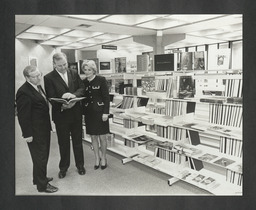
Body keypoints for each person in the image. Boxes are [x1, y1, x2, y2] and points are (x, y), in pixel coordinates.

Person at [16, 65, 58, 193]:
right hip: (35, 131)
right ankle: (42, 186)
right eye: (35, 76)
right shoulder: (23, 92)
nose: (39, 78)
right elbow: (23, 116)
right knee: (40, 157)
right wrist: (27, 134)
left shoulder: (37, 87)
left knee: (42, 156)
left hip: (43, 128)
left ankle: (39, 178)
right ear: (27, 78)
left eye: (39, 75)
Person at [44, 52, 85, 179]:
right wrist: (63, 104)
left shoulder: (73, 72)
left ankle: (80, 166)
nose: (63, 67)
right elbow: (50, 96)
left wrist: (74, 96)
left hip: (76, 113)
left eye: (65, 64)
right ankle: (63, 168)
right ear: (54, 64)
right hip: (61, 115)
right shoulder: (48, 77)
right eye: (60, 65)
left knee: (78, 142)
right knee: (63, 143)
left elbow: (81, 88)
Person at [81, 60, 110, 170]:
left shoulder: (101, 80)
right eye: (85, 70)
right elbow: (83, 100)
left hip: (101, 113)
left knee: (102, 137)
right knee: (93, 136)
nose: (87, 72)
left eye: (89, 70)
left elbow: (106, 97)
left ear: (94, 70)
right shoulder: (83, 82)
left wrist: (106, 112)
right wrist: (83, 114)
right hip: (89, 114)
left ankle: (104, 158)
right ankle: (96, 158)